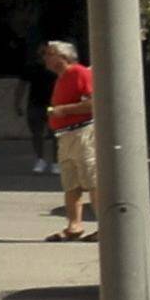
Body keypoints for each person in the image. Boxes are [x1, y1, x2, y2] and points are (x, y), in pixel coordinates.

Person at [42, 40, 98, 239]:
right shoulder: (61, 78)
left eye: (50, 54)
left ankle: (105, 228)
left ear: (63, 57)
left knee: (92, 180)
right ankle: (74, 226)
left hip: (82, 133)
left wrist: (63, 110)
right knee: (70, 183)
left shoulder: (79, 73)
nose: (45, 59)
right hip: (65, 135)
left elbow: (94, 103)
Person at [16, 45, 60, 178]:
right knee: (37, 133)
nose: (47, 57)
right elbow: (21, 86)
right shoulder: (32, 67)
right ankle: (40, 159)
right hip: (35, 105)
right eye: (45, 54)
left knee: (56, 135)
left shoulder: (57, 68)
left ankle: (56, 163)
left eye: (51, 54)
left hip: (54, 104)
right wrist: (17, 103)